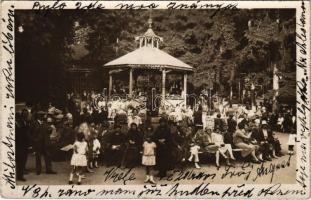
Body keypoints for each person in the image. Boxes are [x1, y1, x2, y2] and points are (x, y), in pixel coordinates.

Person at [31, 111, 57, 175]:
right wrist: (34, 139)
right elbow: (30, 132)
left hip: (45, 143)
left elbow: (49, 131)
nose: (43, 116)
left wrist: (49, 130)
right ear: (38, 116)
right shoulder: (34, 123)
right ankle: (38, 170)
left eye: (43, 115)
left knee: (48, 156)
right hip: (38, 143)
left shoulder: (45, 123)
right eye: (41, 115)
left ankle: (49, 170)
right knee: (38, 157)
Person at [16, 109, 31, 181]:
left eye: (27, 114)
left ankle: (20, 174)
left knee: (23, 160)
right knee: (20, 161)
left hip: (25, 145)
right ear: (22, 115)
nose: (26, 115)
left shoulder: (27, 122)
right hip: (20, 145)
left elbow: (28, 134)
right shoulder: (18, 123)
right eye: (25, 114)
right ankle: (19, 176)